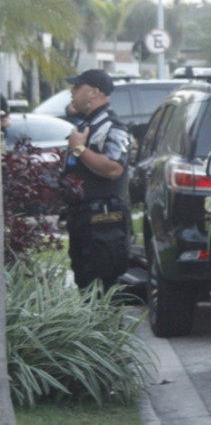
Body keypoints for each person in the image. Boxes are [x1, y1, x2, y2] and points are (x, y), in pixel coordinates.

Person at [62, 69, 133, 292]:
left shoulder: (112, 127)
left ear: (93, 92)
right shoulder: (88, 125)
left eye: (77, 87)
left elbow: (113, 168)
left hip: (104, 222)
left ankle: (108, 328)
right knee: (85, 286)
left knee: (104, 290)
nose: (72, 92)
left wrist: (80, 149)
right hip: (83, 219)